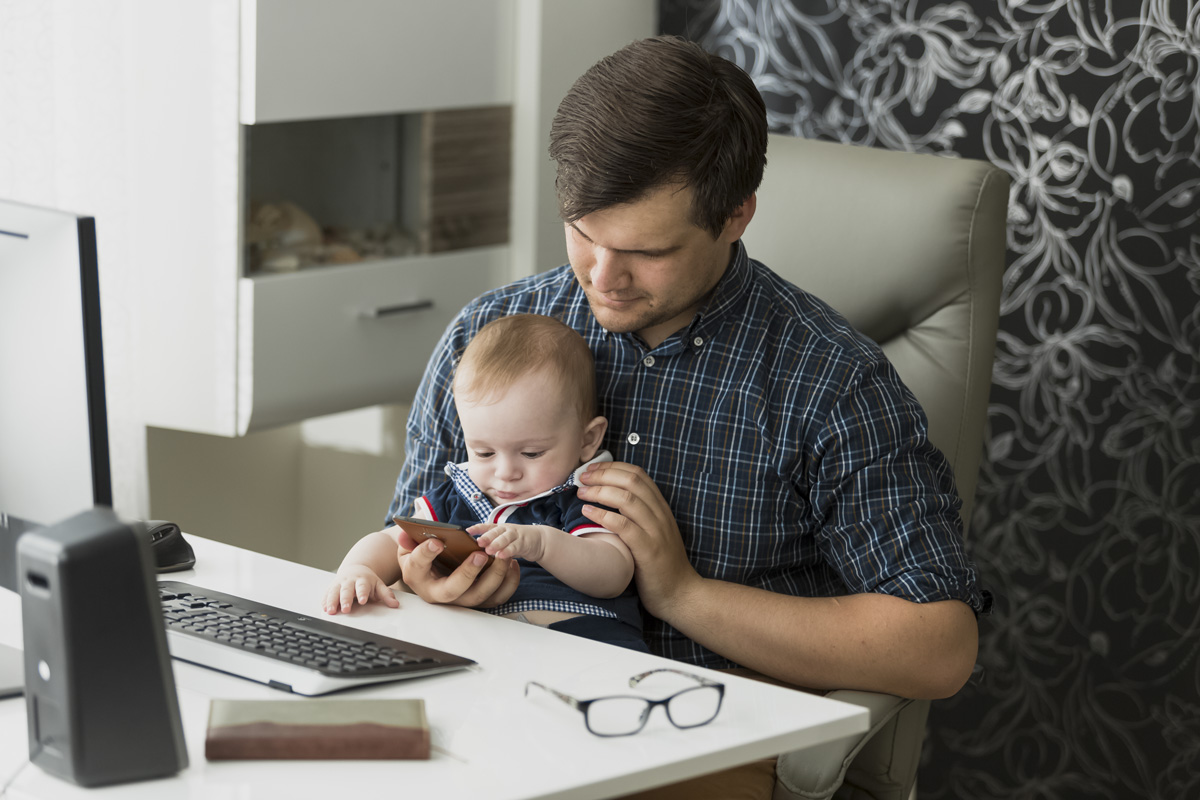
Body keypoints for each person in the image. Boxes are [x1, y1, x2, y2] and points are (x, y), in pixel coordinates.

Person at [386, 35, 988, 797]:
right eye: (583, 233)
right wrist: (431, 579)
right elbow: (406, 537)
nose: (603, 277)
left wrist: (682, 592)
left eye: (647, 251)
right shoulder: (488, 336)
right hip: (494, 710)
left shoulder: (831, 381)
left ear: (736, 216)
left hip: (701, 736)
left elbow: (938, 647)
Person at [323, 314, 646, 652]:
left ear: (587, 440)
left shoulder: (586, 493)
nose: (505, 472)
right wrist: (359, 569)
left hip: (584, 639)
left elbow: (613, 573)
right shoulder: (458, 494)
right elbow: (393, 540)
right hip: (480, 643)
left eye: (532, 453)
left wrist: (542, 544)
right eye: (484, 452)